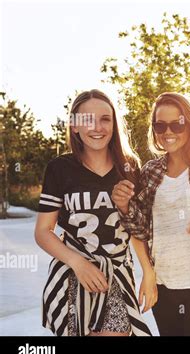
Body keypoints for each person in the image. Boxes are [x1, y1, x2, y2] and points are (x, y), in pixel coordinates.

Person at [112, 92, 190, 336]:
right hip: (165, 285)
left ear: (189, 124)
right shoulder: (150, 171)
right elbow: (142, 230)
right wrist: (125, 206)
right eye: (160, 125)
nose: (168, 132)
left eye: (176, 124)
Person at [35, 89, 155, 336]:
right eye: (87, 120)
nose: (97, 127)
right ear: (75, 126)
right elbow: (43, 231)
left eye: (105, 119)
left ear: (114, 123)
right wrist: (77, 263)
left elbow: (136, 229)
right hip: (72, 272)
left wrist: (148, 272)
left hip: (117, 273)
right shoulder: (60, 168)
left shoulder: (129, 166)